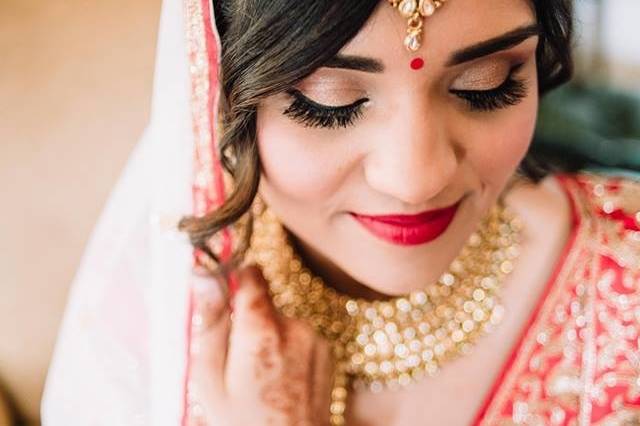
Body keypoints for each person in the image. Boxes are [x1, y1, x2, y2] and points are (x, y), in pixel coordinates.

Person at [42, 0, 640, 424]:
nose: (416, 179)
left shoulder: (626, 280)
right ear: (217, 94)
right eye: (332, 104)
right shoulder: (146, 322)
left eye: (485, 86)